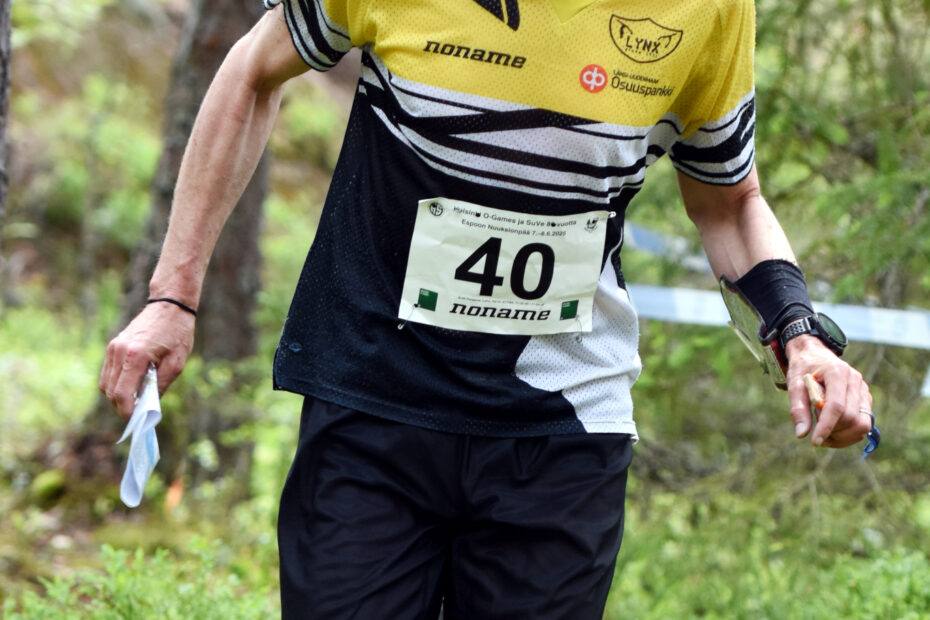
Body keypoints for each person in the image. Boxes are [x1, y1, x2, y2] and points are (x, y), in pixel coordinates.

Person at [100, 1, 875, 617]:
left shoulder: (706, 9)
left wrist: (799, 334)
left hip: (564, 425)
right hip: (374, 403)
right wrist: (173, 296)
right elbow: (252, 72)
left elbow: (730, 200)